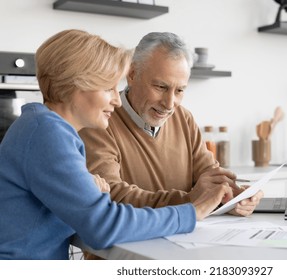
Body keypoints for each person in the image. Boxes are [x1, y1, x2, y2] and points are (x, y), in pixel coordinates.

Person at [0, 29, 232, 260]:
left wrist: (91, 195)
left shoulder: (43, 127)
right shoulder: (47, 134)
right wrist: (191, 213)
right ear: (78, 86)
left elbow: (89, 213)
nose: (116, 99)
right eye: (108, 87)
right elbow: (103, 226)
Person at [79, 32, 263, 215]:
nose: (169, 103)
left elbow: (209, 175)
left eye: (180, 90)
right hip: (129, 243)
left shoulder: (184, 118)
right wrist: (191, 201)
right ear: (132, 74)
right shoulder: (100, 121)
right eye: (161, 87)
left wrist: (233, 197)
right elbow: (112, 195)